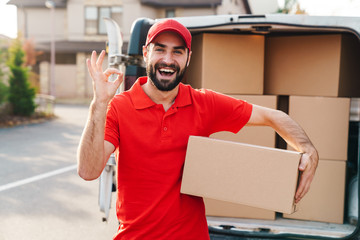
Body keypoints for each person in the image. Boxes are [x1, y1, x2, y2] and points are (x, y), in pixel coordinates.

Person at [77, 19, 319, 240]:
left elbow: (272, 116)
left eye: (177, 52)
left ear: (188, 58)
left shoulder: (204, 103)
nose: (168, 60)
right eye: (160, 49)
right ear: (145, 53)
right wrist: (99, 104)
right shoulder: (119, 107)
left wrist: (307, 149)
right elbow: (88, 171)